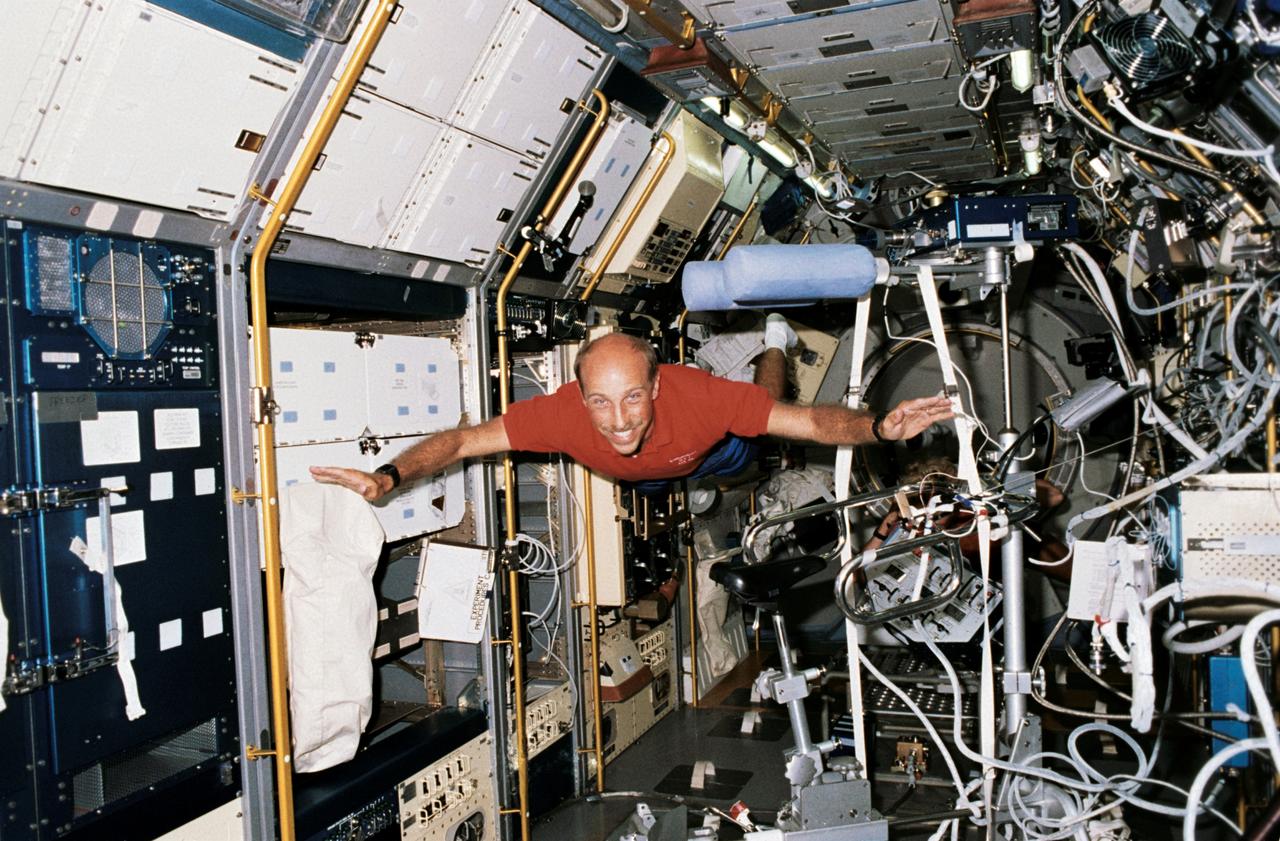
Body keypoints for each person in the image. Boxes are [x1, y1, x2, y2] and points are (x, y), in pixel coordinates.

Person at [309, 323, 954, 501]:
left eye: (632, 399)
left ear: (657, 386)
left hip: (712, 450)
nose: (617, 420)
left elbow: (812, 423)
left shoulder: (698, 395)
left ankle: (775, 338)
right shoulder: (561, 416)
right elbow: (458, 443)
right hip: (647, 478)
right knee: (648, 474)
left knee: (764, 428)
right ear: (579, 393)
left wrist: (875, 427)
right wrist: (387, 476)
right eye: (600, 402)